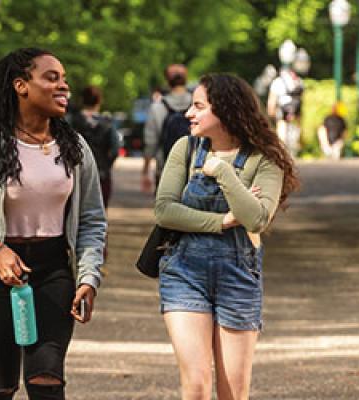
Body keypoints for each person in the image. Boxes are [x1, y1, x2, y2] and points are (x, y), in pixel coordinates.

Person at [0, 48, 106, 400]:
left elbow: (93, 220)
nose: (63, 86)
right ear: (21, 86)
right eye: (51, 78)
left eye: (64, 79)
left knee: (47, 382)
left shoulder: (75, 149)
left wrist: (89, 276)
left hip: (53, 273)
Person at [155, 73, 299, 399]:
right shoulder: (185, 148)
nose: (188, 114)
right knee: (196, 386)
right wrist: (221, 221)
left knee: (233, 392)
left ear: (226, 110)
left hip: (238, 274)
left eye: (198, 106)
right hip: (184, 272)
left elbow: (256, 218)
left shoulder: (266, 159)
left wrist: (222, 171)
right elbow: (165, 211)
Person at [142, 63, 192, 192]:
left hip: (166, 168)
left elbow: (150, 141)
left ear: (167, 81)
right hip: (194, 169)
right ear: (185, 78)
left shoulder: (157, 107)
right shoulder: (198, 104)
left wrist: (146, 170)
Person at [68, 86, 119, 208]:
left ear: (81, 100)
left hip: (76, 174)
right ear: (99, 101)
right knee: (98, 211)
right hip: (101, 173)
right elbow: (115, 149)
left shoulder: (72, 122)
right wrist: (106, 165)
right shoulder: (107, 124)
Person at [267, 67, 304, 156]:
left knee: (281, 128)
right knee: (295, 130)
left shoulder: (278, 81)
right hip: (296, 109)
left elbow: (272, 99)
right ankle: (293, 151)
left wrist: (271, 112)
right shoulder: (299, 80)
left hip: (283, 108)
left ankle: (283, 152)